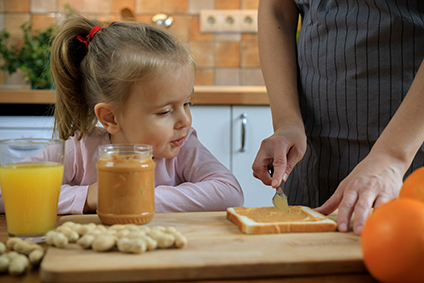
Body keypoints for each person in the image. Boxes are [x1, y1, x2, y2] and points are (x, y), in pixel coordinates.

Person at [0, 15, 244, 214]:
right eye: (165, 111)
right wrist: (90, 196)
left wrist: (134, 197)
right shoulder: (79, 152)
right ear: (110, 118)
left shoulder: (183, 148)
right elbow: (6, 193)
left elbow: (230, 192)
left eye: (187, 103)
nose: (185, 121)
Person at [252, 0, 424, 235]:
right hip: (313, 159)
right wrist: (287, 122)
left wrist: (392, 156)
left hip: (411, 157)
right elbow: (276, 11)